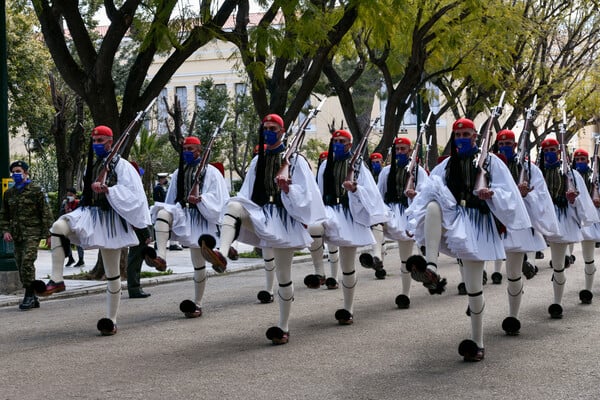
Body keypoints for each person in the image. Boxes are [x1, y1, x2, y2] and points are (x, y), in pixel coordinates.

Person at [406, 118, 532, 361]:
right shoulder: (446, 166)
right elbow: (429, 191)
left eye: (466, 134)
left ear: (475, 137)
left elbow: (510, 193)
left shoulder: (491, 162)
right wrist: (413, 223)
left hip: (478, 223)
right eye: (458, 134)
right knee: (432, 206)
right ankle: (430, 266)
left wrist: (491, 192)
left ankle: (478, 342)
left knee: (474, 287)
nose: (462, 138)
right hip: (455, 218)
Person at [205, 113, 326, 345]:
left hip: (284, 221)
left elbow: (308, 197)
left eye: (273, 127)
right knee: (233, 205)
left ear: (282, 132)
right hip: (261, 214)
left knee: (283, 276)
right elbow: (246, 195)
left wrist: (288, 189)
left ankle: (283, 326)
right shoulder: (256, 160)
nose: (268, 131)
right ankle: (221, 252)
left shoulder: (296, 160)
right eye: (265, 127)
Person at [32, 125, 152, 336]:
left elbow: (135, 196)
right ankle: (57, 280)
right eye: (94, 141)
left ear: (110, 142)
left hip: (111, 220)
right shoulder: (93, 165)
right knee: (58, 226)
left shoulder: (123, 166)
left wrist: (109, 190)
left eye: (100, 141)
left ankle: (111, 320)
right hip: (91, 212)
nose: (96, 145)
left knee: (112, 272)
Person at [308, 128, 388, 325]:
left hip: (349, 215)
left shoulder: (359, 165)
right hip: (329, 211)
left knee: (348, 265)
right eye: (335, 140)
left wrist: (355, 189)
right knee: (314, 227)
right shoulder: (326, 164)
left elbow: (372, 194)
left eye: (342, 141)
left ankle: (348, 308)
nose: (337, 144)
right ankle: (319, 273)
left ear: (349, 145)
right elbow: (319, 190)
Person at [151, 136, 229, 318]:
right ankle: (161, 257)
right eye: (184, 149)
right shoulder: (179, 172)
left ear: (199, 151)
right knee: (162, 213)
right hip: (183, 214)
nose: (187, 152)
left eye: (190, 149)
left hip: (202, 217)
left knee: (198, 262)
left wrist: (201, 199)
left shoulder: (210, 172)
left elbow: (218, 198)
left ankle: (198, 303)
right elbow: (171, 199)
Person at [492, 129, 559, 334]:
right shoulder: (491, 165)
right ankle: (474, 298)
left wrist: (526, 195)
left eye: (509, 144)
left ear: (515, 146)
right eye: (501, 144)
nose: (505, 148)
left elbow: (541, 197)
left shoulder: (530, 169)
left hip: (518, 226)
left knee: (512, 274)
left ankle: (513, 316)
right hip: (493, 223)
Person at [538, 139, 598, 318]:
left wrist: (574, 200)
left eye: (553, 149)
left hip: (572, 218)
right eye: (546, 149)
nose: (550, 152)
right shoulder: (537, 173)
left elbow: (584, 201)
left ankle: (581, 292)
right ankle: (557, 301)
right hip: (549, 219)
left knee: (584, 258)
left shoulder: (572, 174)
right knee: (557, 263)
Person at [368, 137, 429, 308]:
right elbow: (379, 194)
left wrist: (414, 195)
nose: (400, 152)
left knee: (406, 258)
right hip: (390, 212)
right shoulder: (386, 171)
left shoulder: (418, 172)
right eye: (398, 149)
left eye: (403, 149)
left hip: (408, 214)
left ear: (410, 151)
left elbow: (425, 194)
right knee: (377, 220)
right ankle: (377, 256)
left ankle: (405, 294)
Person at [0, 160, 53, 311]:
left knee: (27, 263)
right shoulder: (9, 193)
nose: (16, 174)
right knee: (20, 263)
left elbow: (46, 212)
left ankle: (29, 295)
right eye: (14, 172)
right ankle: (33, 296)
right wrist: (5, 231)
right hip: (17, 234)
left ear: (26, 173)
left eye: (18, 171)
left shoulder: (36, 190)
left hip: (32, 233)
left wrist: (49, 234)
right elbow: (4, 214)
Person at [572, 148, 600, 303]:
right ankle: (588, 290)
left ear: (588, 161)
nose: (580, 162)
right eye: (578, 160)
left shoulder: (594, 177)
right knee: (588, 257)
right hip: (587, 222)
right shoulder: (572, 178)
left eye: (583, 159)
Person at [126, 161, 156, 299]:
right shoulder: (133, 188)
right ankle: (134, 288)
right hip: (138, 228)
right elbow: (137, 213)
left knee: (135, 258)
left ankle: (135, 287)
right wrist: (146, 233)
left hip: (138, 227)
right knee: (135, 259)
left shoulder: (133, 187)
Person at [60, 188, 85, 267]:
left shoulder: (79, 203)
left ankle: (81, 259)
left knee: (78, 242)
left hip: (77, 225)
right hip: (67, 224)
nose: (69, 197)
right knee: (66, 241)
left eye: (71, 195)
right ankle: (70, 258)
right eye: (68, 195)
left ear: (75, 195)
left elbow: (81, 213)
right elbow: (61, 213)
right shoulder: (65, 203)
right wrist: (65, 209)